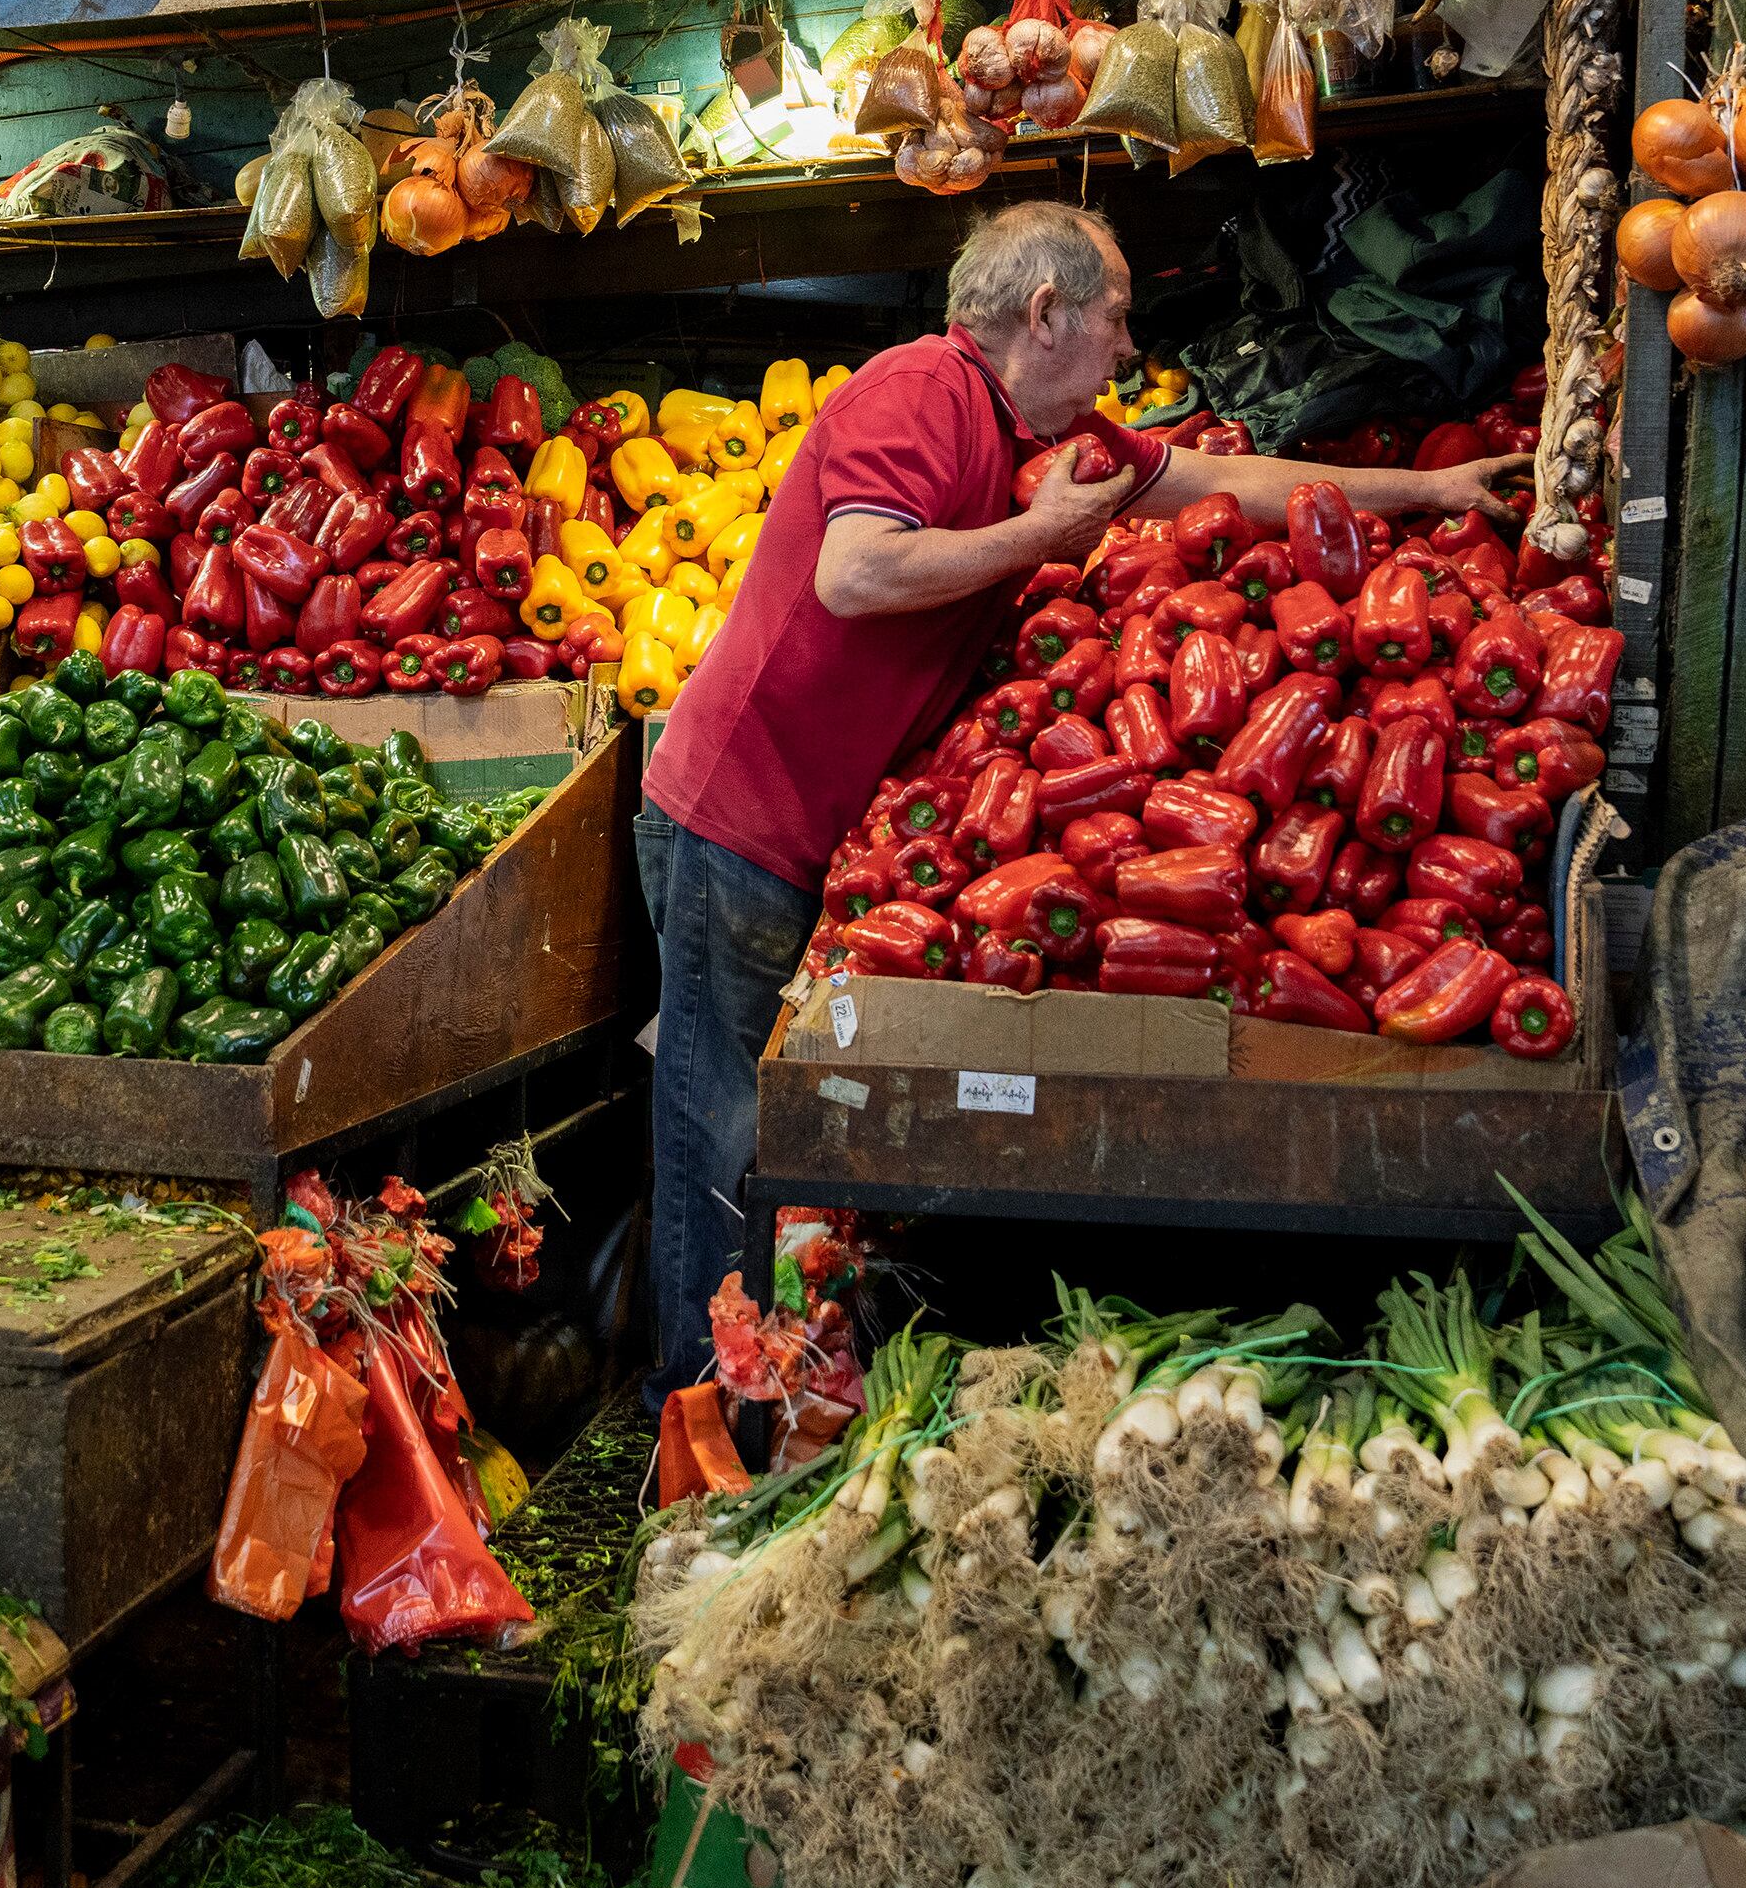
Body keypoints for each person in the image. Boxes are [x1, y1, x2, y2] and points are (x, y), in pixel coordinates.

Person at [631, 200, 1532, 1391]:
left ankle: (745, 1385)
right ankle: (689, 1410)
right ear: (1044, 313)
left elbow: (1218, 477)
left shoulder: (1041, 434)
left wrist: (1428, 491)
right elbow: (853, 574)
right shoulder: (917, 392)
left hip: (814, 825)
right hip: (731, 818)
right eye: (1112, 320)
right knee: (719, 1125)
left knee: (762, 1123)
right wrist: (1037, 532)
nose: (1124, 347)